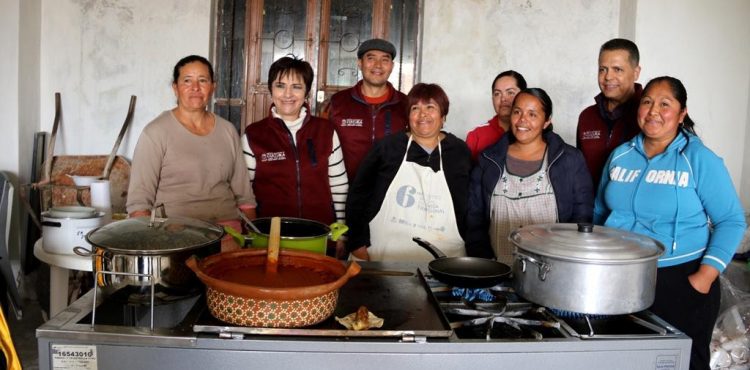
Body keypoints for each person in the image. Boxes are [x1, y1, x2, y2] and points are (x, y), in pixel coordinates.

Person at [593, 76, 746, 370]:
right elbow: (600, 212)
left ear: (681, 113)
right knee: (623, 361)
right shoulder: (621, 156)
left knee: (681, 363)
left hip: (680, 278)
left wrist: (703, 278)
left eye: (665, 104)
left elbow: (731, 220)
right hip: (621, 278)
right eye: (647, 102)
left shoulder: (698, 158)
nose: (653, 111)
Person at [127, 55, 256, 250]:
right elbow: (139, 202)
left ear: (212, 86)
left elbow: (244, 196)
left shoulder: (227, 130)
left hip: (227, 234)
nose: (195, 87)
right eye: (187, 80)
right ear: (175, 88)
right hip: (174, 236)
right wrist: (150, 244)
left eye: (202, 80)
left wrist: (253, 239)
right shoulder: (156, 132)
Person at [345, 83, 471, 262]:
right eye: (415, 108)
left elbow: (471, 207)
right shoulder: (387, 148)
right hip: (383, 254)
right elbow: (358, 195)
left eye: (430, 107)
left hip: (446, 258)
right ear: (408, 116)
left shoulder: (459, 151)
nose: (423, 115)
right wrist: (357, 244)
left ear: (443, 116)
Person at [465, 88, 594, 263]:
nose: (522, 120)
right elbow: (474, 217)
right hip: (497, 267)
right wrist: (485, 262)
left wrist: (565, 261)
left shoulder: (569, 159)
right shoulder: (488, 159)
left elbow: (582, 215)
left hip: (551, 269)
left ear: (547, 121)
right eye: (517, 112)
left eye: (532, 114)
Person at [242, 56, 348, 228]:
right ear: (271, 89)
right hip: (270, 236)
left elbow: (339, 185)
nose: (288, 94)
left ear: (306, 92)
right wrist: (252, 231)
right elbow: (245, 193)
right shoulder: (254, 135)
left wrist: (342, 231)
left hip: (320, 233)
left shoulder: (326, 131)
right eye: (280, 86)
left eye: (296, 87)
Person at [325, 38, 409, 181]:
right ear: (360, 63)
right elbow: (321, 147)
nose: (378, 65)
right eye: (371, 58)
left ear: (392, 66)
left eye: (385, 60)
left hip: (391, 194)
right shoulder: (337, 103)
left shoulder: (406, 104)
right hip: (345, 192)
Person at [577, 38, 642, 188]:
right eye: (602, 69)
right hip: (592, 209)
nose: (607, 77)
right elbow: (579, 172)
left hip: (634, 210)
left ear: (636, 72)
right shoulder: (587, 117)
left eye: (617, 69)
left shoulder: (648, 116)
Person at [465, 70, 527, 161]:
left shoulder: (533, 131)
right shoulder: (476, 136)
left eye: (510, 92)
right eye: (497, 94)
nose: (503, 99)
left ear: (525, 95)